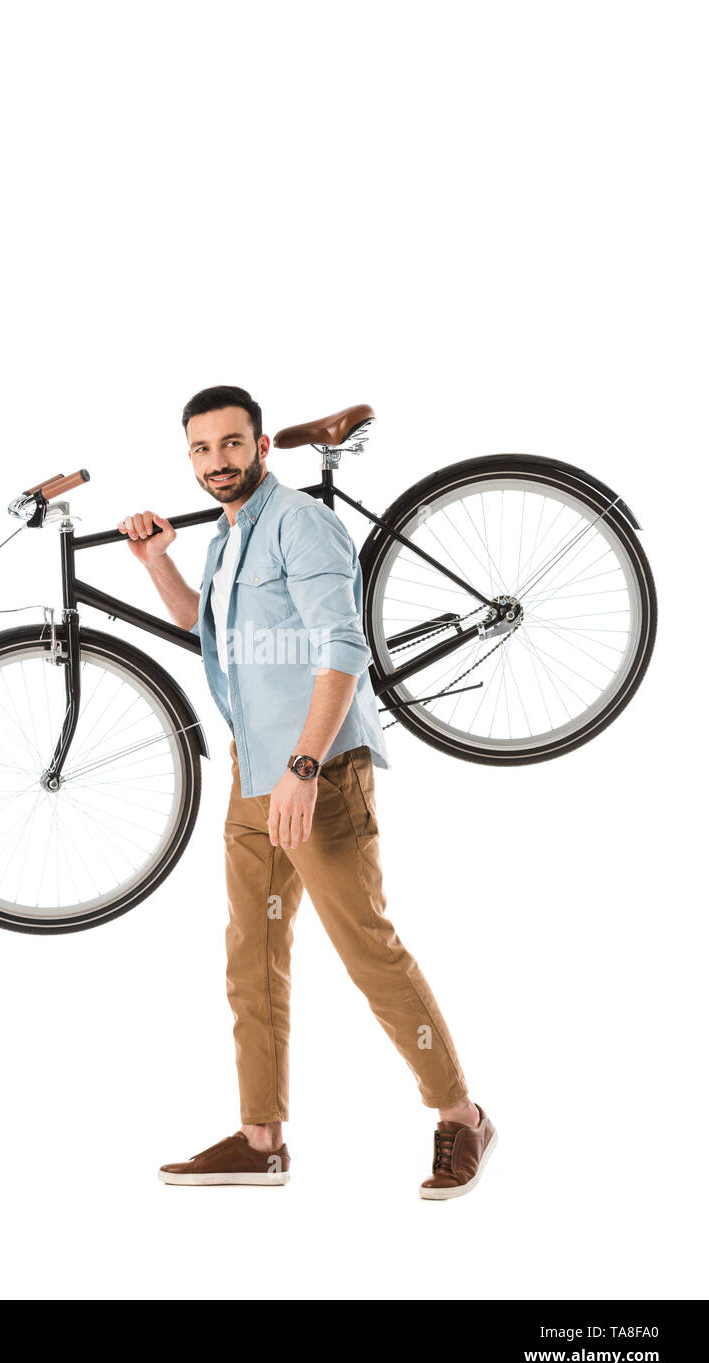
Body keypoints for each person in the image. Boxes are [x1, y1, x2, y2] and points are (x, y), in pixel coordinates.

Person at [118, 385, 497, 1198]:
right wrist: (157, 565)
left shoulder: (298, 522)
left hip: (315, 775)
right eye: (201, 448)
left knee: (366, 950)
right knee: (250, 957)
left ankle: (461, 1118)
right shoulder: (227, 539)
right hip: (253, 772)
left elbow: (343, 649)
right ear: (189, 458)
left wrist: (302, 770)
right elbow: (207, 628)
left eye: (230, 444)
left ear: (261, 446)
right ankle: (261, 1139)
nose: (216, 460)